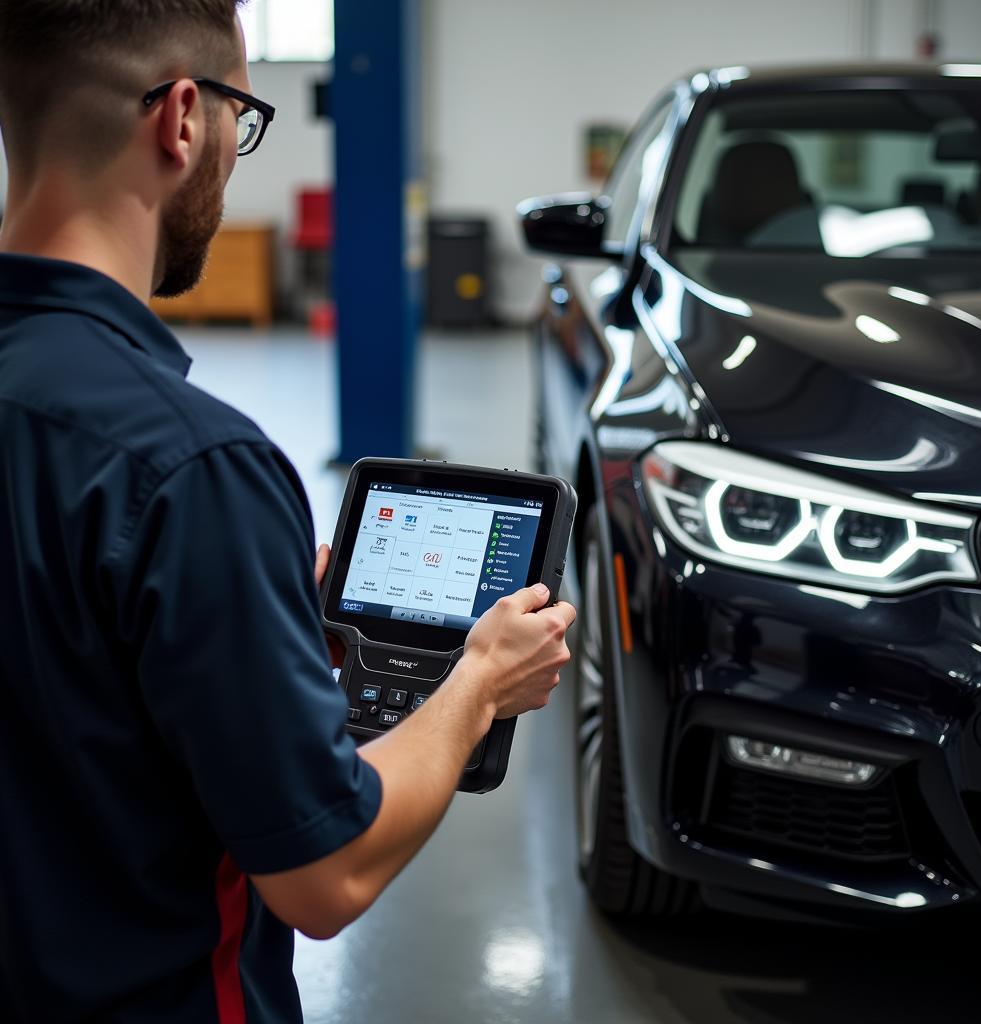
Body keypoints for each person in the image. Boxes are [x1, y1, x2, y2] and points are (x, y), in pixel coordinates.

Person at [0, 3, 576, 1021]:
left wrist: (238, 613)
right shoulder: (190, 469)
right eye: (240, 115)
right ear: (183, 118)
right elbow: (326, 873)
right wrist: (480, 680)